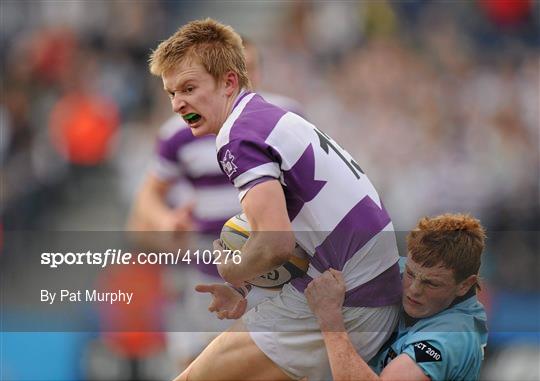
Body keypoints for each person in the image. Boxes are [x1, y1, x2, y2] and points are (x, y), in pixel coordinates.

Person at [149, 18, 402, 381]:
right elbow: (300, 232)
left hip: (346, 299)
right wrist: (244, 286)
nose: (178, 104)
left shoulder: (237, 137)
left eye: (189, 88)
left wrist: (232, 268)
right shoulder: (266, 117)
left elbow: (274, 243)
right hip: (364, 290)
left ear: (229, 82)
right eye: (171, 93)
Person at [128, 36, 304, 371]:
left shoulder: (286, 117)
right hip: (208, 280)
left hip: (277, 280)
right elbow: (146, 199)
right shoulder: (178, 134)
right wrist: (166, 222)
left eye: (250, 70)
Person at [305, 213, 488, 381]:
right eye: (410, 273)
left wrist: (330, 321)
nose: (413, 290)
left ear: (464, 284)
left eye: (431, 283)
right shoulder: (400, 271)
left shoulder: (451, 337)